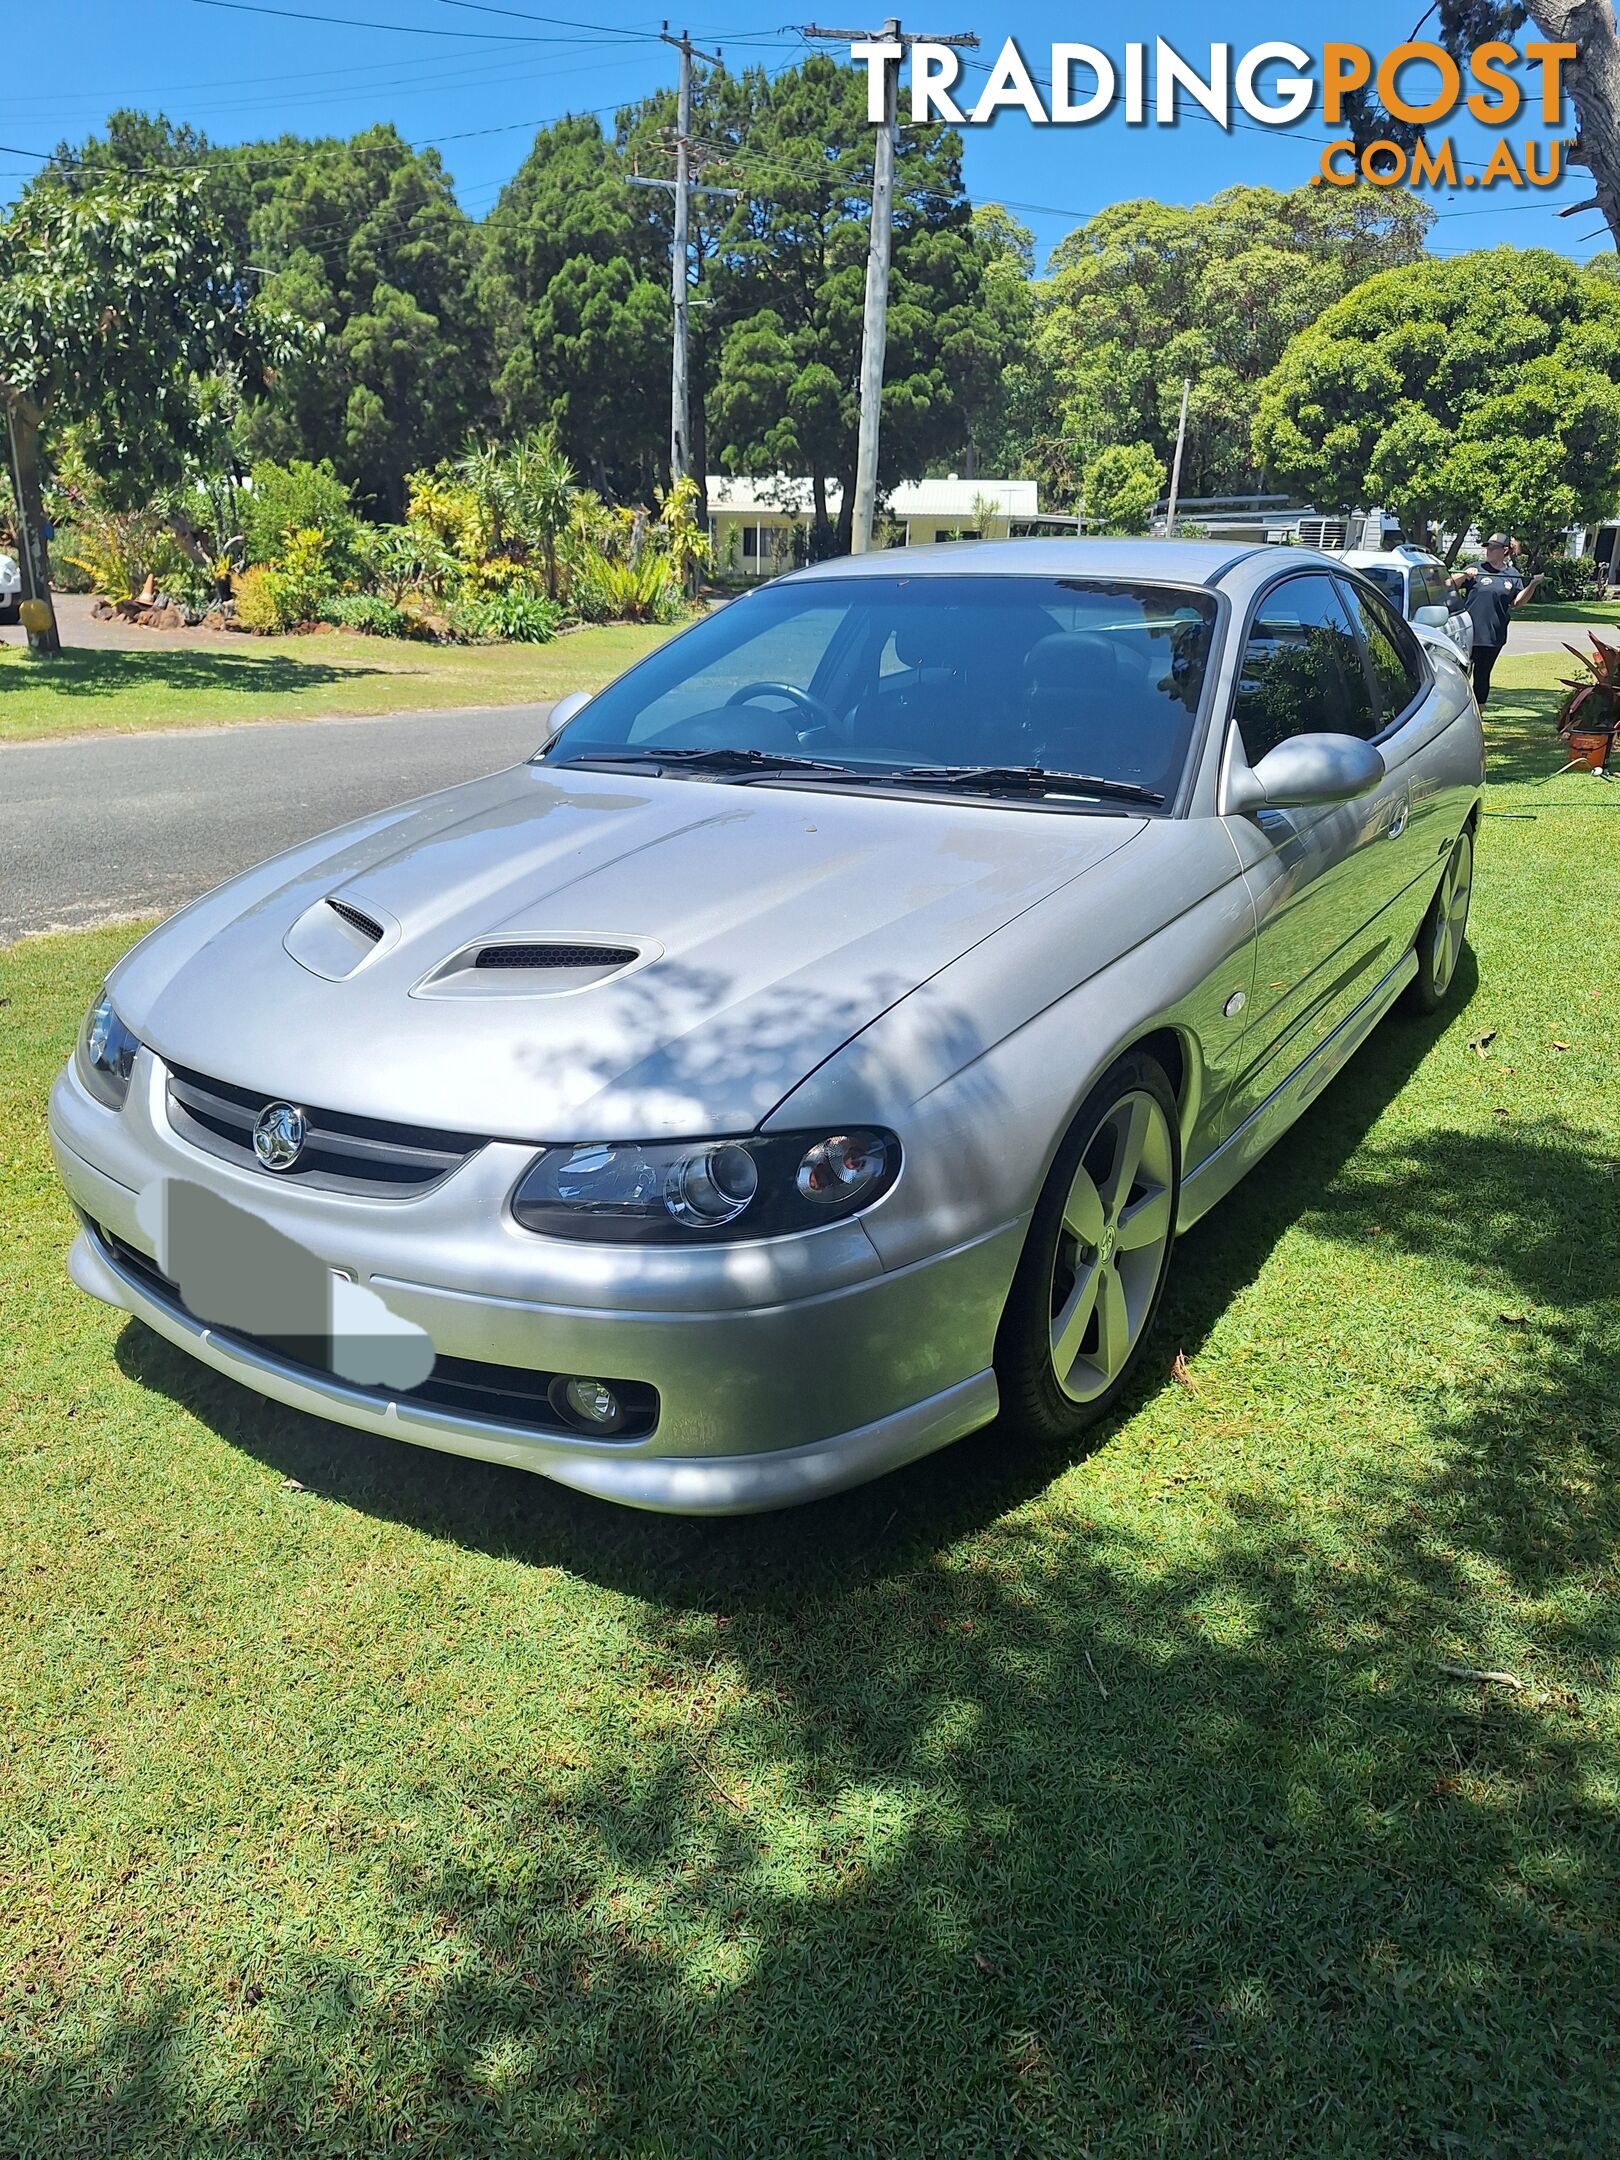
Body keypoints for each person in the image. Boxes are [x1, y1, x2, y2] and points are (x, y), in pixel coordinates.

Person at [1447, 534, 1544, 707]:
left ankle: (1478, 715)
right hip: (1468, 633)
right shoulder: (1476, 567)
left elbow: (1516, 602)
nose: (1488, 551)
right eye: (1487, 547)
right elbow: (1448, 584)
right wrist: (1464, 575)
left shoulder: (1512, 575)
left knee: (1482, 676)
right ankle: (1457, 712)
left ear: (1504, 551)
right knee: (1459, 675)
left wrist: (1533, 585)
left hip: (1492, 636)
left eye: (1493, 548)